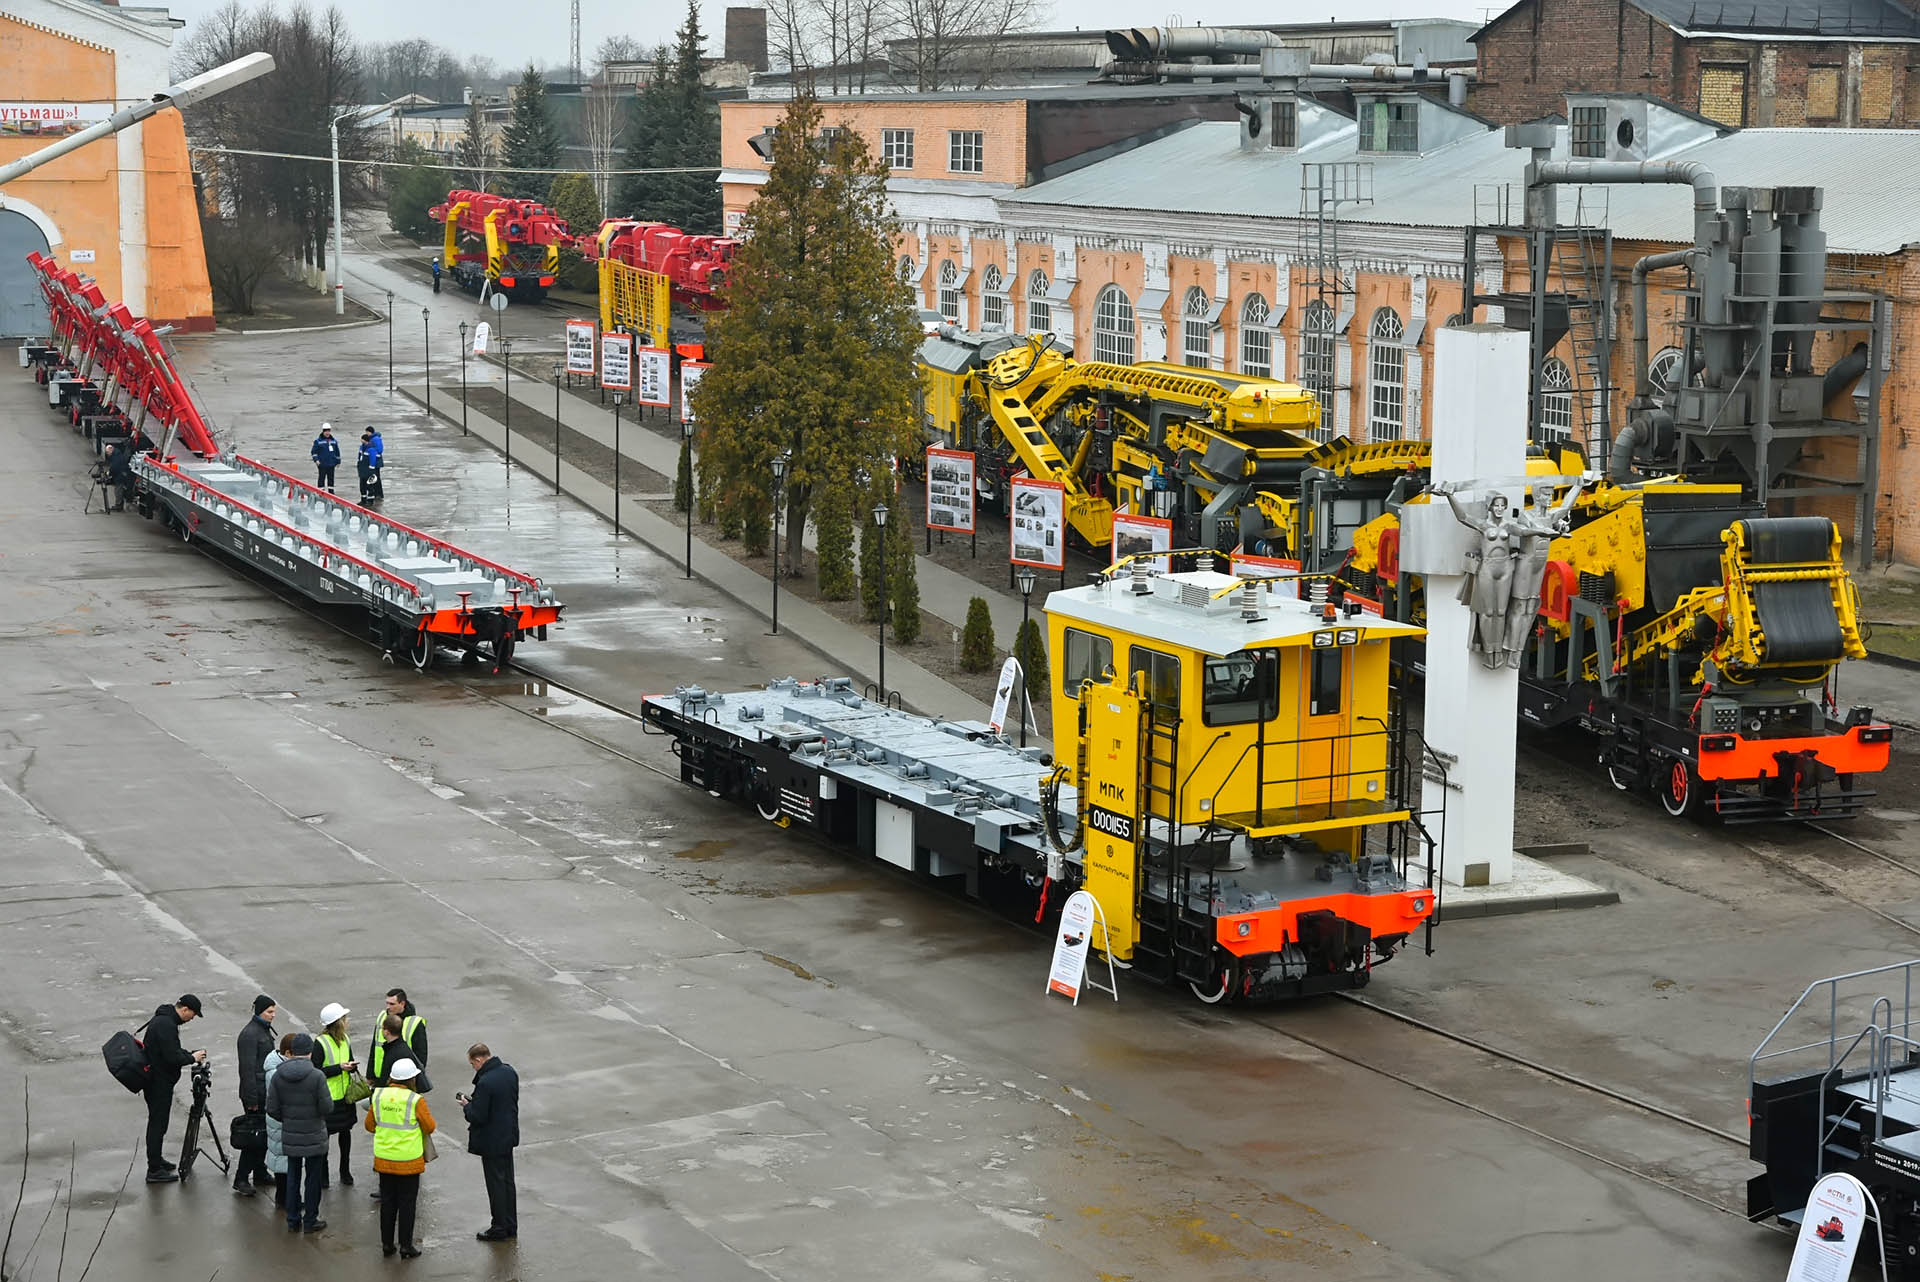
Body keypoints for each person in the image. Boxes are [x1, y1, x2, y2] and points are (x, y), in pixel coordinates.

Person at [364, 1058, 436, 1258]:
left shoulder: (378, 1096)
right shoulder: (415, 1100)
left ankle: (387, 1244)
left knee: (387, 1203)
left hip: (384, 1159)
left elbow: (369, 1125)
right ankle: (406, 1245)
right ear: (412, 1079)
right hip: (408, 1161)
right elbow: (430, 1126)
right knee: (407, 1204)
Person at [268, 1032, 332, 1233]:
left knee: (293, 1176)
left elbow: (272, 1109)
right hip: (314, 1135)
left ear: (291, 1052)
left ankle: (293, 1219)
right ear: (310, 1053)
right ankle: (310, 1220)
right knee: (312, 1179)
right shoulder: (316, 1076)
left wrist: (288, 1120)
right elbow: (327, 1107)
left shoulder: (278, 1075)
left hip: (291, 1134)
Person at [142, 994, 206, 1183]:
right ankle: (154, 1170)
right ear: (184, 1009)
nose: (191, 1019)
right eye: (192, 1015)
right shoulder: (166, 1025)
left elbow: (170, 1051)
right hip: (157, 1082)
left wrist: (189, 1054)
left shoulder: (165, 1020)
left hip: (158, 1080)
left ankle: (156, 1160)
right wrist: (192, 1058)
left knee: (159, 1123)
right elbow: (171, 1057)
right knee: (157, 1124)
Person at [459, 1043, 520, 1240]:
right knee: (508, 1182)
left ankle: (499, 1227)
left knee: (495, 1185)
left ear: (478, 1060)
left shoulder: (485, 1083)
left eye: (472, 1064)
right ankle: (510, 1224)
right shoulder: (509, 1072)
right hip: (508, 1136)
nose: (473, 1068)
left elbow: (478, 1116)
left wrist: (467, 1106)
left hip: (491, 1140)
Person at [232, 994, 277, 1196]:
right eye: (269, 1012)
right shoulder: (250, 1034)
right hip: (255, 1094)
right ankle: (241, 1178)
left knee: (263, 1136)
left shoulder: (262, 1030)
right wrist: (251, 1099)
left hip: (263, 1091)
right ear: (259, 1011)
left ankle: (259, 1172)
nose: (272, 1015)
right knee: (255, 1137)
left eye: (274, 1011)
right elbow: (247, 1069)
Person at [312, 1002, 360, 1186]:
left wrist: (351, 1066)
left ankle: (344, 1170)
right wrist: (339, 1068)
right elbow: (316, 1070)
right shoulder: (320, 1043)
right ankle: (323, 1175)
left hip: (346, 1096)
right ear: (338, 1022)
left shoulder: (345, 1039)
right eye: (344, 1019)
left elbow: (349, 1058)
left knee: (345, 1133)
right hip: (328, 1097)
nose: (346, 1021)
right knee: (325, 1137)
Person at [262, 1031, 295, 1209]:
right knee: (283, 1161)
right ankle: (286, 1200)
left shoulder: (274, 1068)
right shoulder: (277, 1073)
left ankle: (283, 1198)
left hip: (276, 1120)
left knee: (281, 1160)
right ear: (288, 1053)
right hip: (281, 1121)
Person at [102, 441, 133, 511]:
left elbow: (115, 466)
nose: (107, 454)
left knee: (118, 490)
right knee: (118, 489)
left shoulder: (116, 456)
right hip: (120, 474)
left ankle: (118, 505)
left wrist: (109, 473)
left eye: (107, 452)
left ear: (111, 449)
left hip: (120, 475)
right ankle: (119, 504)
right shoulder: (116, 453)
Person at [310, 424, 341, 493]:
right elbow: (314, 452)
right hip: (322, 463)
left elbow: (337, 451)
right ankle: (321, 492)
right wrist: (316, 460)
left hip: (331, 463)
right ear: (323, 432)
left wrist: (338, 461)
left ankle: (331, 493)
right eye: (326, 431)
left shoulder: (333, 441)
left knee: (331, 479)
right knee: (321, 478)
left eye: (328, 431)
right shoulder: (318, 441)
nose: (327, 433)